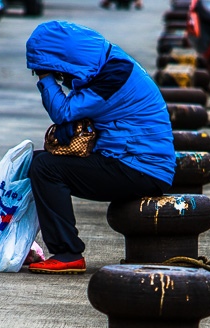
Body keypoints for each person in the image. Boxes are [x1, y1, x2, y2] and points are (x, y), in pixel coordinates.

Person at [26, 21, 175, 274]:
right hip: (129, 160)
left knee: (45, 168)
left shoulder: (114, 74)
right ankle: (26, 244)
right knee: (34, 163)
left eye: (53, 69)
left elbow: (63, 111)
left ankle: (67, 253)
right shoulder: (106, 63)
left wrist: (45, 77)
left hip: (140, 168)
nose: (60, 77)